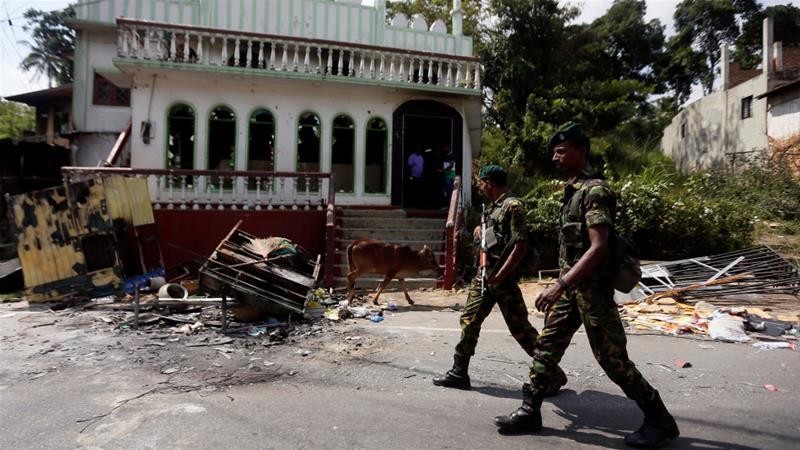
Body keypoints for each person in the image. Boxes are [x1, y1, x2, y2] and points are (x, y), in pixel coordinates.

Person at [494, 124, 679, 449]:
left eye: (561, 151)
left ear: (581, 151)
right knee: (546, 348)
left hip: (592, 291)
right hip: (571, 290)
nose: (555, 157)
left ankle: (659, 419)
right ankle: (530, 409)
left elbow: (599, 247)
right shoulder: (573, 191)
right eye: (554, 152)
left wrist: (559, 284)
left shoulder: (595, 191)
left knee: (612, 359)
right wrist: (562, 285)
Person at [433, 164, 567, 396]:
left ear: (489, 182)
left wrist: (501, 275)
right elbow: (491, 238)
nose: (481, 187)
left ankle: (552, 372)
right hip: (484, 276)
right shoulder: (493, 209)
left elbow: (520, 245)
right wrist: (478, 231)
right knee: (469, 320)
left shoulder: (513, 206)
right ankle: (459, 371)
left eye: (482, 182)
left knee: (520, 329)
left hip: (501, 278)